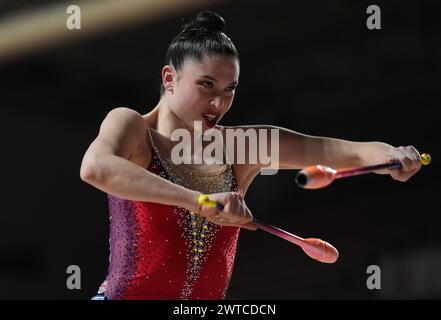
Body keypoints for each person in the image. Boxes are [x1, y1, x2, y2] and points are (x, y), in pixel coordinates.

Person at [80, 11, 422, 300]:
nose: (219, 103)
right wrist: (199, 201)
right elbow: (96, 168)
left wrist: (391, 156)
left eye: (229, 89)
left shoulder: (240, 148)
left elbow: (336, 150)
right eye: (206, 84)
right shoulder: (132, 127)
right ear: (170, 78)